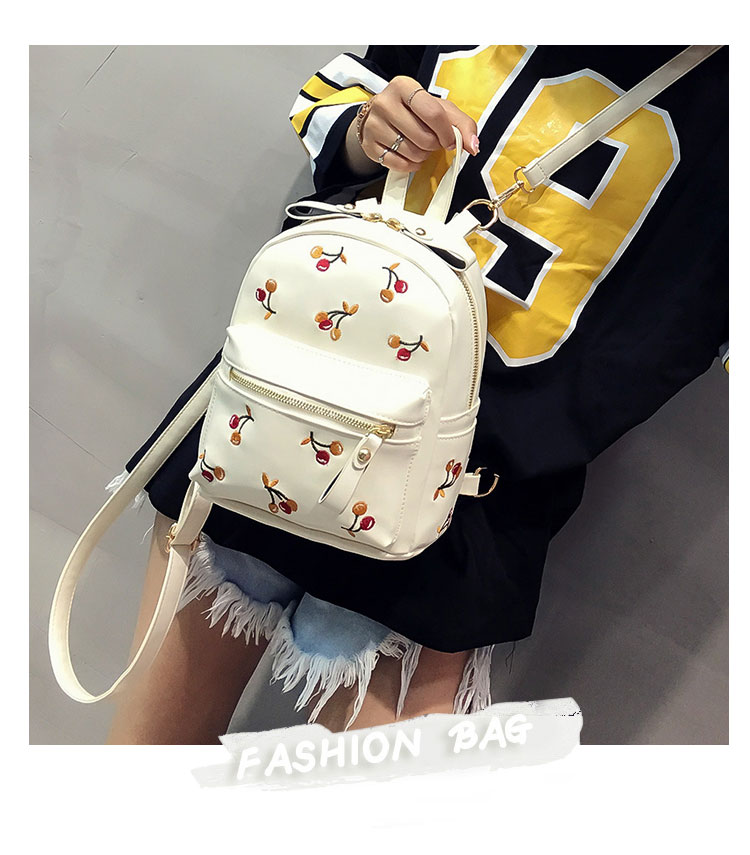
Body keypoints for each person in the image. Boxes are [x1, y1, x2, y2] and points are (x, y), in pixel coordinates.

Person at [107, 45, 728, 745]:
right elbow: (335, 98)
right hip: (282, 408)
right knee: (144, 774)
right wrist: (368, 130)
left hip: (467, 497)